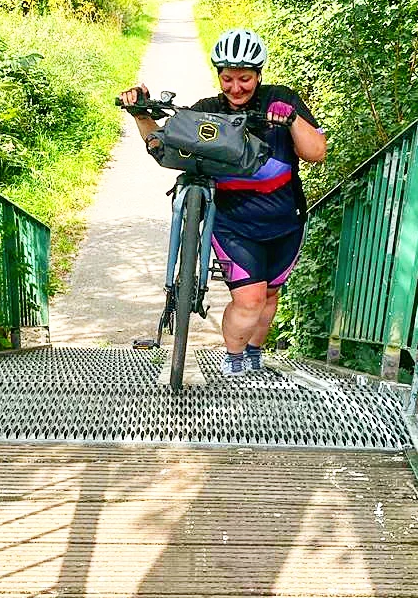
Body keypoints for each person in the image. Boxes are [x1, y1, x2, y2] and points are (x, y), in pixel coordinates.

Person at [119, 28, 326, 376]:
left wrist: (290, 118)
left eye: (245, 79)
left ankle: (255, 358)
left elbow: (316, 153)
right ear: (219, 76)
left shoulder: (282, 100)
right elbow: (163, 147)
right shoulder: (208, 112)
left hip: (286, 221)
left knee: (270, 297)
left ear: (258, 75)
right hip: (233, 223)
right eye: (227, 78)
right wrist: (141, 112)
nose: (236, 87)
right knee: (250, 299)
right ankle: (234, 365)